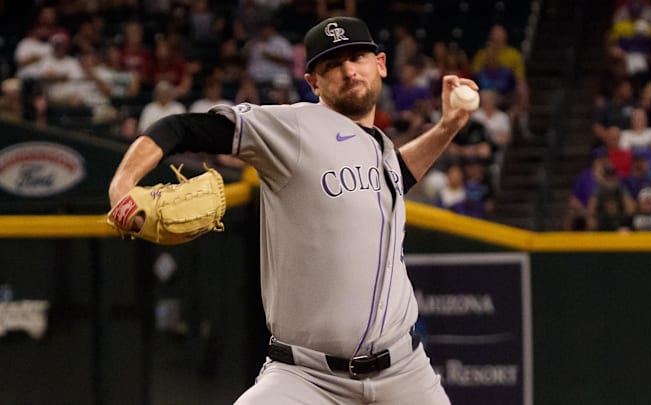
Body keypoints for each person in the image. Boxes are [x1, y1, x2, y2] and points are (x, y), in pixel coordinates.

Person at [108, 16, 472, 404]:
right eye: (332, 65)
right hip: (308, 378)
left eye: (357, 58)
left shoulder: (379, 146)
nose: (348, 70)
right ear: (313, 83)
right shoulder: (292, 128)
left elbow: (394, 175)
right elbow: (181, 127)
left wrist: (448, 127)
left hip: (404, 372)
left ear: (380, 64)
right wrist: (122, 185)